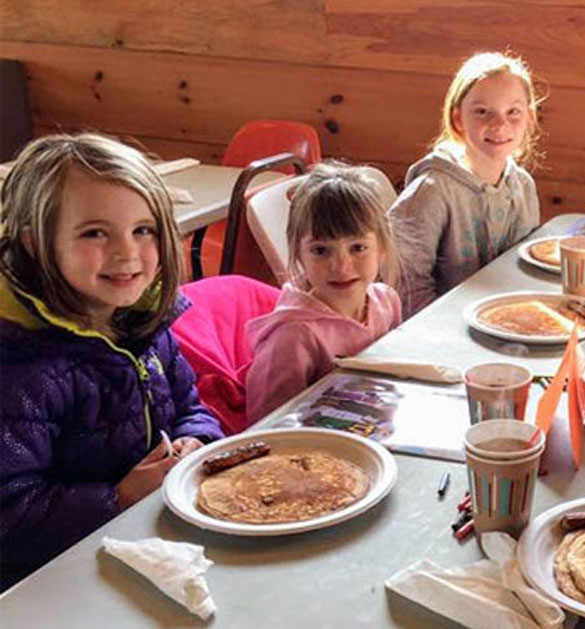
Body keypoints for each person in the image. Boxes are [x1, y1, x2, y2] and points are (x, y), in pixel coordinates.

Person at [0, 134, 224, 589]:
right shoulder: (18, 367)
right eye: (95, 233)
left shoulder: (140, 323)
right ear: (36, 244)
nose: (127, 253)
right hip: (49, 584)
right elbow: (9, 517)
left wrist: (194, 442)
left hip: (145, 548)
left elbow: (190, 406)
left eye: (143, 230)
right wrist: (117, 499)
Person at [245, 162, 403, 422]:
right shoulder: (292, 337)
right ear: (298, 253)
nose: (341, 266)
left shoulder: (387, 301)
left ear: (383, 247)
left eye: (358, 247)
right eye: (321, 250)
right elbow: (267, 428)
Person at [389, 51, 542, 314]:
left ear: (528, 117)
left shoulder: (523, 186)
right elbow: (403, 284)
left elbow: (524, 268)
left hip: (504, 322)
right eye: (483, 112)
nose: (500, 124)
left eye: (513, 112)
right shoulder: (431, 191)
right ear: (458, 119)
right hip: (439, 332)